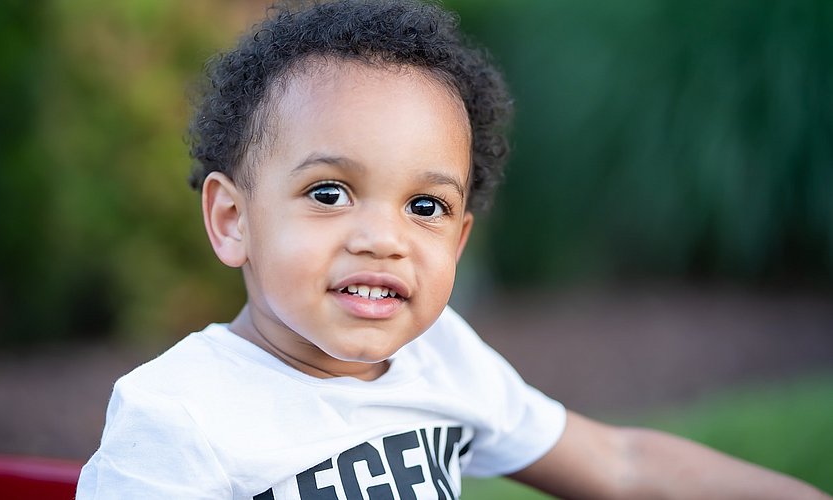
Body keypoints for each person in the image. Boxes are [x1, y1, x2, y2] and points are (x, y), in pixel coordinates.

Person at [76, 1, 830, 498]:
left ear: (460, 239)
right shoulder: (178, 417)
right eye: (330, 192)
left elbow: (624, 467)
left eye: (425, 206)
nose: (383, 238)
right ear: (233, 220)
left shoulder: (444, 361)